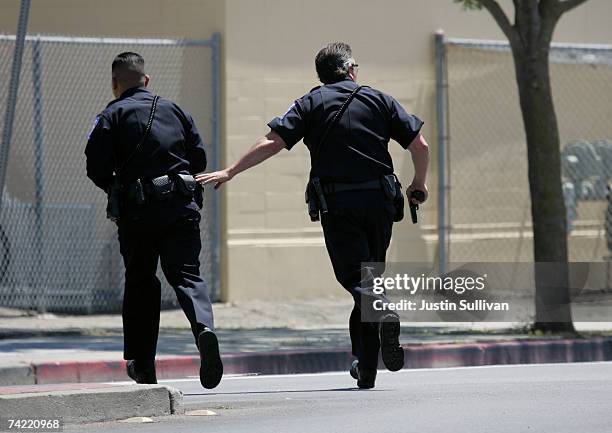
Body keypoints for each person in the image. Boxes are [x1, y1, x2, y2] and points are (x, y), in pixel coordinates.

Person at [197, 42, 429, 389]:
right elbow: (420, 146)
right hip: (380, 203)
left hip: (339, 205)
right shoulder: (380, 99)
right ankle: (366, 369)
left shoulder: (311, 103)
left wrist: (232, 170)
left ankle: (382, 312)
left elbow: (272, 142)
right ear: (351, 69)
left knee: (358, 281)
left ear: (322, 75)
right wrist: (417, 185)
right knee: (369, 280)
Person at [85, 52, 222, 389]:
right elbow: (199, 158)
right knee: (188, 276)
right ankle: (204, 328)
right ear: (147, 80)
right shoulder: (176, 110)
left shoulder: (110, 115)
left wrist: (121, 187)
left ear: (115, 84)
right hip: (180, 207)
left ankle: (143, 365)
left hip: (139, 213)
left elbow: (95, 167)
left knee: (141, 283)